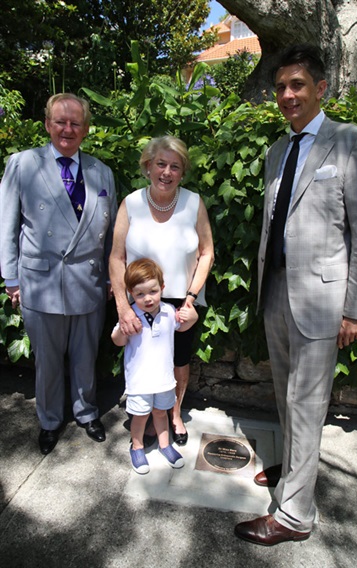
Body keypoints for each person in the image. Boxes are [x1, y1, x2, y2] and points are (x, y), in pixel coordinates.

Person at [235, 45, 357, 546]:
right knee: (286, 398)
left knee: (308, 402)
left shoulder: (352, 142)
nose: (287, 95)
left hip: (321, 302)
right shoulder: (277, 150)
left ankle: (295, 517)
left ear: (321, 88)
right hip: (275, 294)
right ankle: (294, 474)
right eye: (280, 87)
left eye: (297, 85)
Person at [0, 93, 118, 455]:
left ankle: (86, 412)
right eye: (60, 122)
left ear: (85, 129)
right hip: (41, 280)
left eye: (75, 123)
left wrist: (114, 274)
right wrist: (11, 278)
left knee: (86, 355)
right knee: (48, 361)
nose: (68, 129)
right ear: (48, 124)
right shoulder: (22, 164)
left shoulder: (102, 171)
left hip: (89, 279)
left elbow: (112, 229)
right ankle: (50, 420)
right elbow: (6, 224)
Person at [109, 135, 214, 446]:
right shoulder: (131, 204)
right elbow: (116, 257)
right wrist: (123, 307)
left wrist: (192, 297)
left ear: (182, 172)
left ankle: (175, 414)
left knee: (179, 361)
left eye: (175, 166)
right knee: (144, 360)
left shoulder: (194, 203)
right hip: (139, 301)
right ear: (147, 166)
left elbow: (207, 252)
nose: (167, 172)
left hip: (184, 300)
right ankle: (146, 414)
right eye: (161, 164)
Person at [111, 258, 198, 474]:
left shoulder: (169, 311)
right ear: (131, 293)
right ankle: (137, 446)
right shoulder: (130, 315)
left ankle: (165, 445)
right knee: (140, 416)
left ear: (162, 288)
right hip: (140, 381)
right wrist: (122, 330)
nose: (147, 298)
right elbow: (118, 341)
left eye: (153, 291)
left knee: (161, 413)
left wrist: (193, 316)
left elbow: (183, 326)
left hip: (164, 379)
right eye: (140, 294)